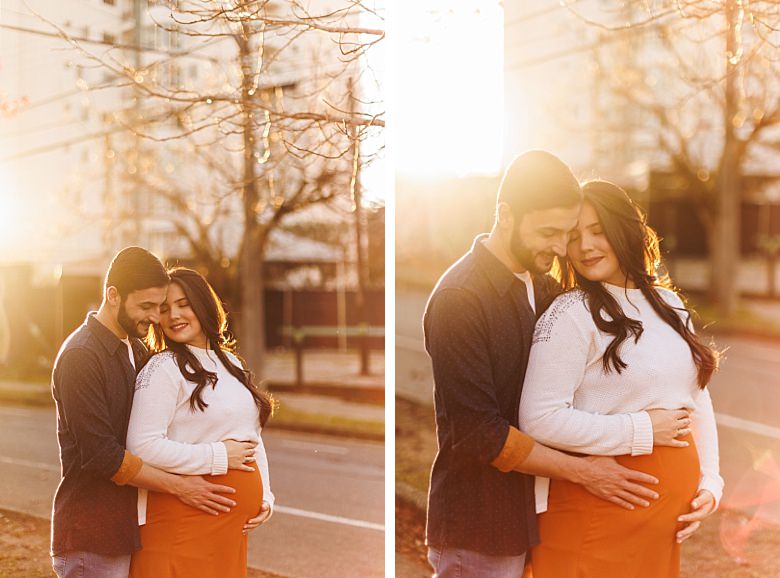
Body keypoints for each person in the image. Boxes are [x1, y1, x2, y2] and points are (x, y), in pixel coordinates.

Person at [423, 152, 684, 578]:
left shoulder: (542, 285)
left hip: (539, 517)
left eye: (566, 233)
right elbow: (478, 433)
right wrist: (587, 473)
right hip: (482, 525)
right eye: (548, 232)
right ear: (506, 215)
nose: (562, 248)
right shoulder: (461, 299)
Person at [518, 180, 723, 577]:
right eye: (574, 236)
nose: (585, 247)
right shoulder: (570, 313)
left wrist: (710, 483)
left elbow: (697, 399)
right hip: (593, 514)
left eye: (598, 230)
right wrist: (641, 430)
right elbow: (538, 418)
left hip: (662, 524)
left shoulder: (669, 303)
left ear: (625, 229)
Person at [51, 247, 241, 578]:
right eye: (146, 306)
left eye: (159, 306)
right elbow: (102, 456)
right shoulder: (81, 356)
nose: (155, 317)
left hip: (125, 532)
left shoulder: (135, 349)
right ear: (113, 296)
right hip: (91, 536)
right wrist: (182, 487)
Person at [126, 267, 274, 578]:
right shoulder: (163, 367)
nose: (174, 315)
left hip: (227, 535)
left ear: (204, 304)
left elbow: (251, 438)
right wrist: (218, 456)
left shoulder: (231, 363)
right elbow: (141, 446)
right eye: (164, 309)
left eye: (184, 304)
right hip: (180, 525)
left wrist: (265, 497)